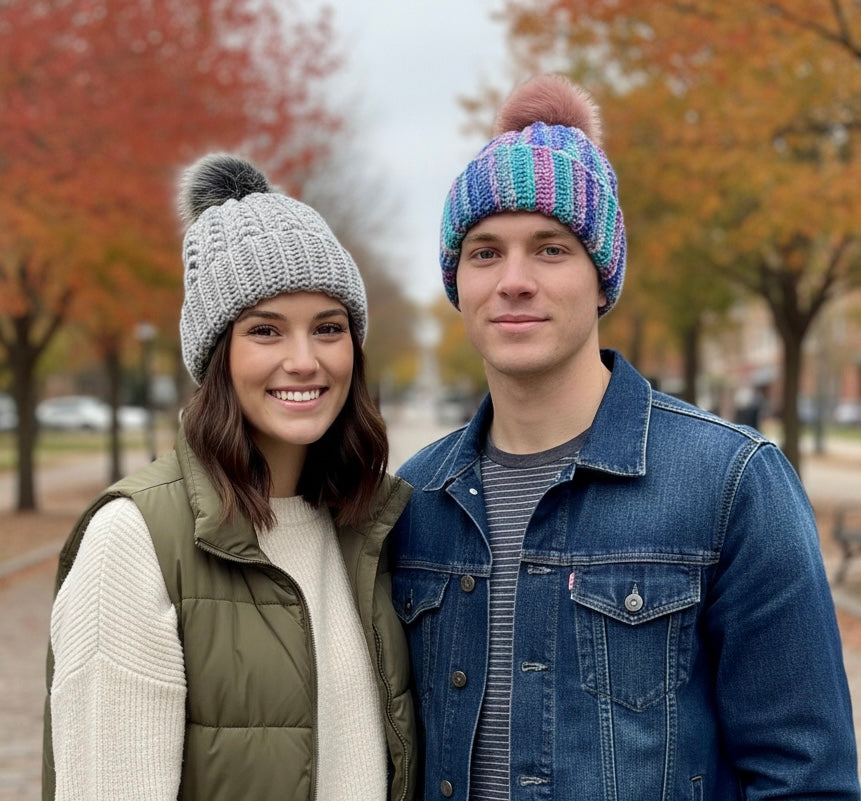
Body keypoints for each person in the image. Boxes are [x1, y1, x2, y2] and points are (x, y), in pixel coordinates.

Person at [389, 75, 860, 800]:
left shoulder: (730, 482)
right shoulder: (416, 498)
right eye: (484, 252)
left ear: (601, 278)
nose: (512, 279)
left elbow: (806, 778)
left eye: (549, 249)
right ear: (457, 281)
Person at [43, 154, 417, 801]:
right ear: (219, 355)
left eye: (328, 328)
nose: (304, 360)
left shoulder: (374, 526)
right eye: (265, 330)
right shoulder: (133, 542)